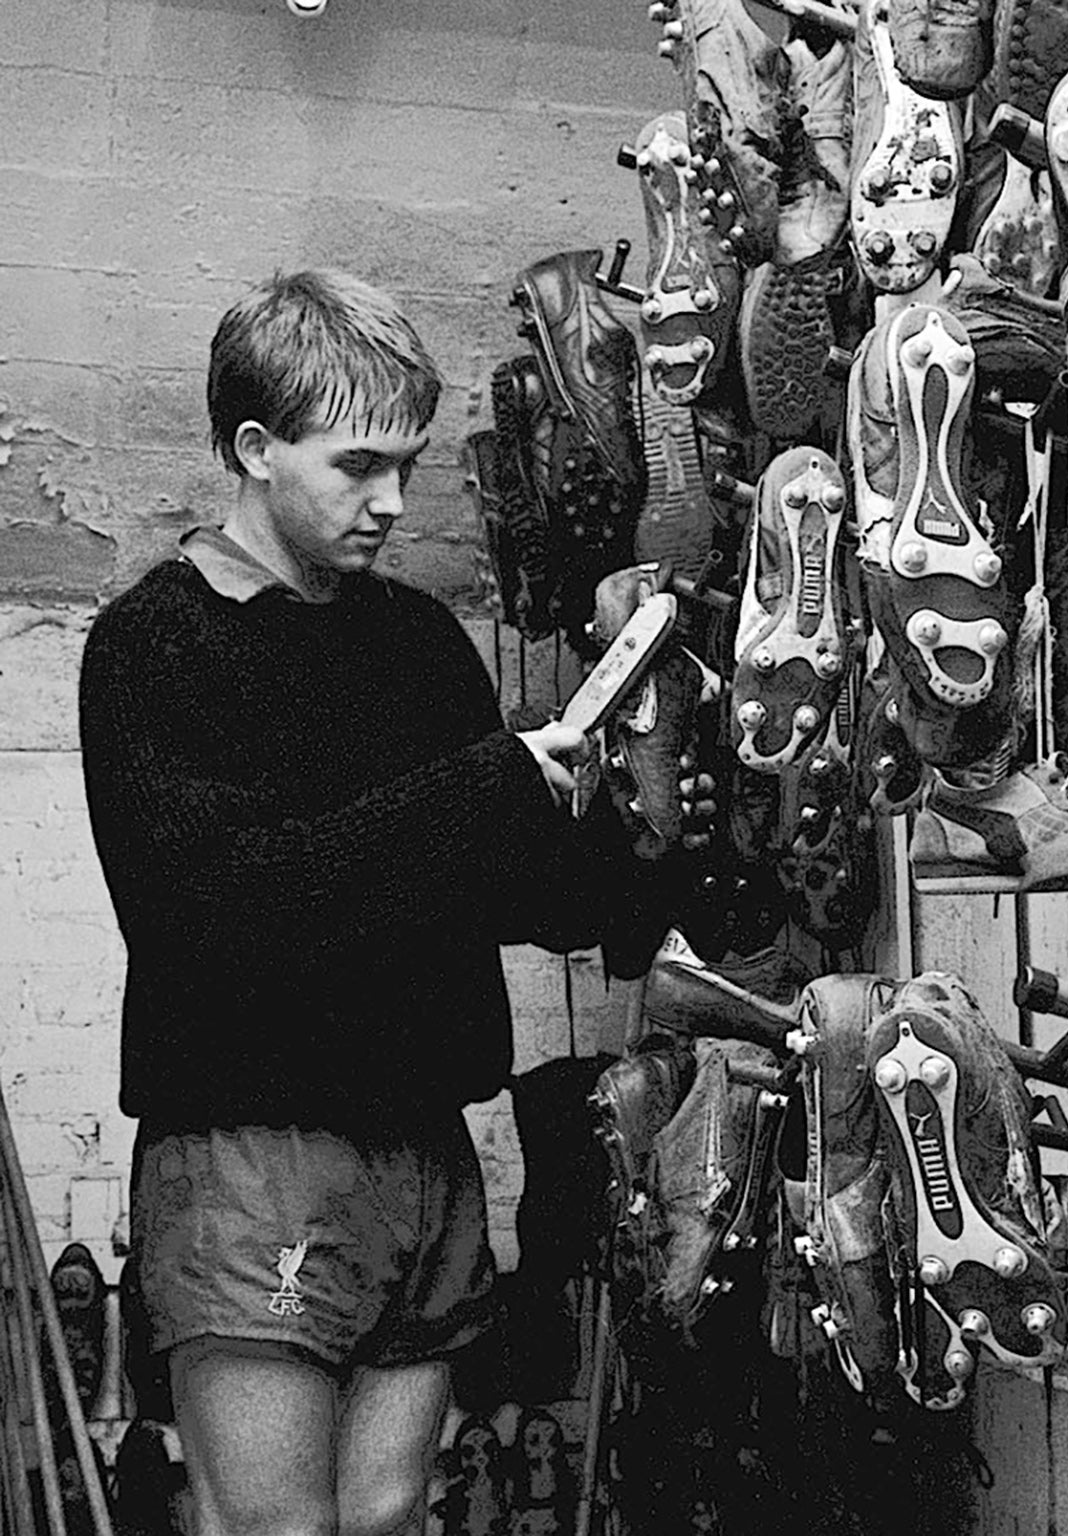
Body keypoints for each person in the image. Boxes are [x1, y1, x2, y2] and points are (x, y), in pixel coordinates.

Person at [78, 269, 668, 1536]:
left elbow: (517, 889)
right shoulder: (153, 645)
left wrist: (648, 831)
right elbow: (215, 911)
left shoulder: (413, 639)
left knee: (390, 1520)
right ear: (253, 448)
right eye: (356, 466)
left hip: (424, 1147)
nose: (393, 502)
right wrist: (480, 787)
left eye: (404, 463)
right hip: (253, 1151)